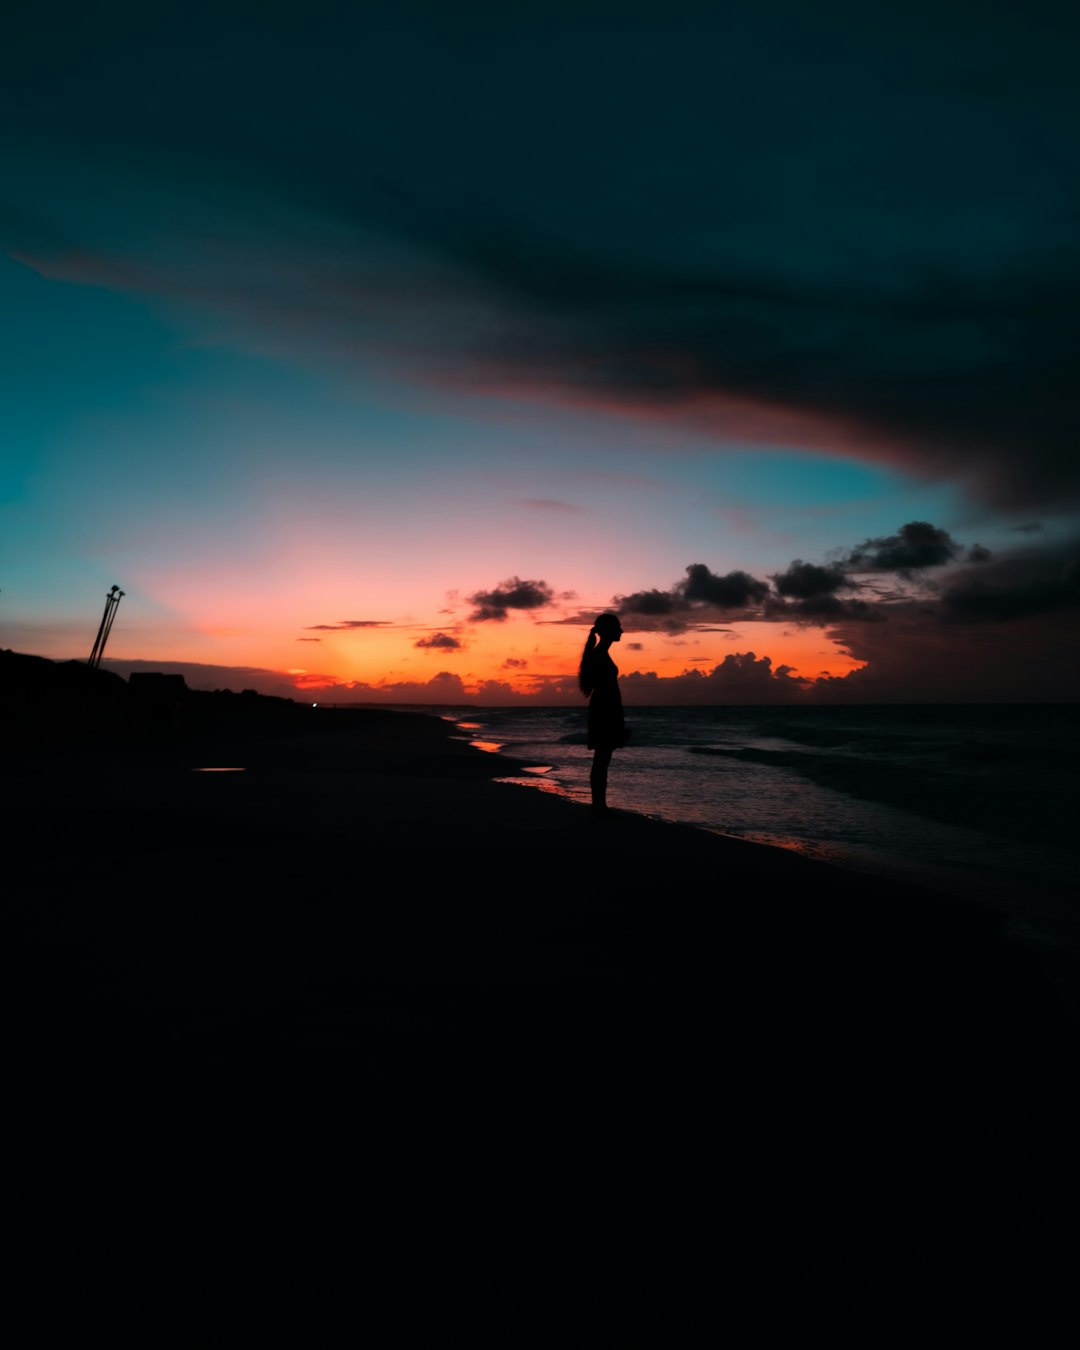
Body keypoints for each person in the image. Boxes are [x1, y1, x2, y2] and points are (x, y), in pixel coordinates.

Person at [578, 612, 628, 815]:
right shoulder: (599, 655)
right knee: (602, 758)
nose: (621, 631)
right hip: (604, 709)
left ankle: (600, 805)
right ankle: (599, 807)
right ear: (608, 631)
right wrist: (614, 714)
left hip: (605, 708)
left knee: (603, 758)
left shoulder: (599, 654)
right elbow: (603, 688)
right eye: (617, 628)